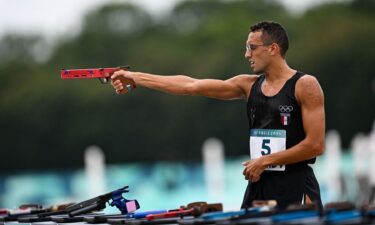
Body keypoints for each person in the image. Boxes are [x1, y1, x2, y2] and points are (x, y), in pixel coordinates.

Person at [111, 21, 325, 209]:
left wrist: (266, 161)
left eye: (252, 47)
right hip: (258, 184)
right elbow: (190, 85)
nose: (247, 54)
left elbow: (315, 145)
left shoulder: (304, 85)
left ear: (273, 49)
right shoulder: (248, 85)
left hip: (295, 184)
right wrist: (135, 77)